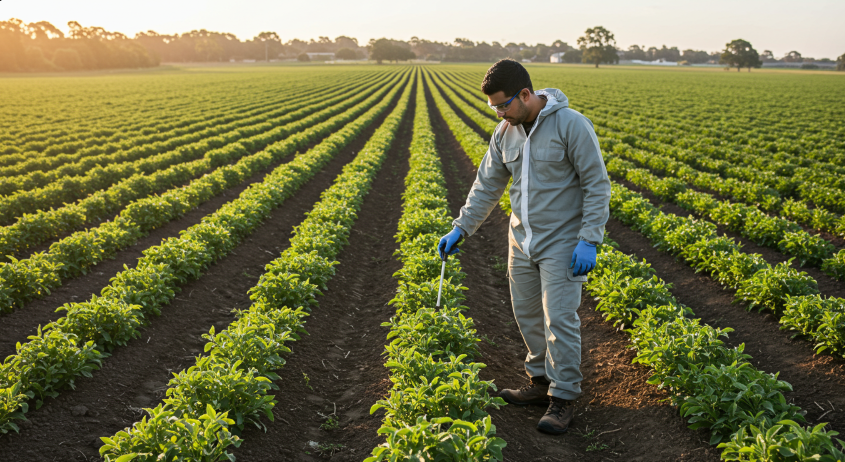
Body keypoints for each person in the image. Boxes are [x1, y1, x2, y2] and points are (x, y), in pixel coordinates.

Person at [437, 59, 611, 435]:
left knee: (559, 319)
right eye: (494, 107)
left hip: (563, 242)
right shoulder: (505, 133)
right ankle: (540, 383)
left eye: (504, 104)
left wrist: (589, 239)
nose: (500, 113)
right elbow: (486, 186)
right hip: (522, 240)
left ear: (526, 94)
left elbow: (597, 184)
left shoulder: (572, 125)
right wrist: (460, 228)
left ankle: (563, 398)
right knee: (528, 315)